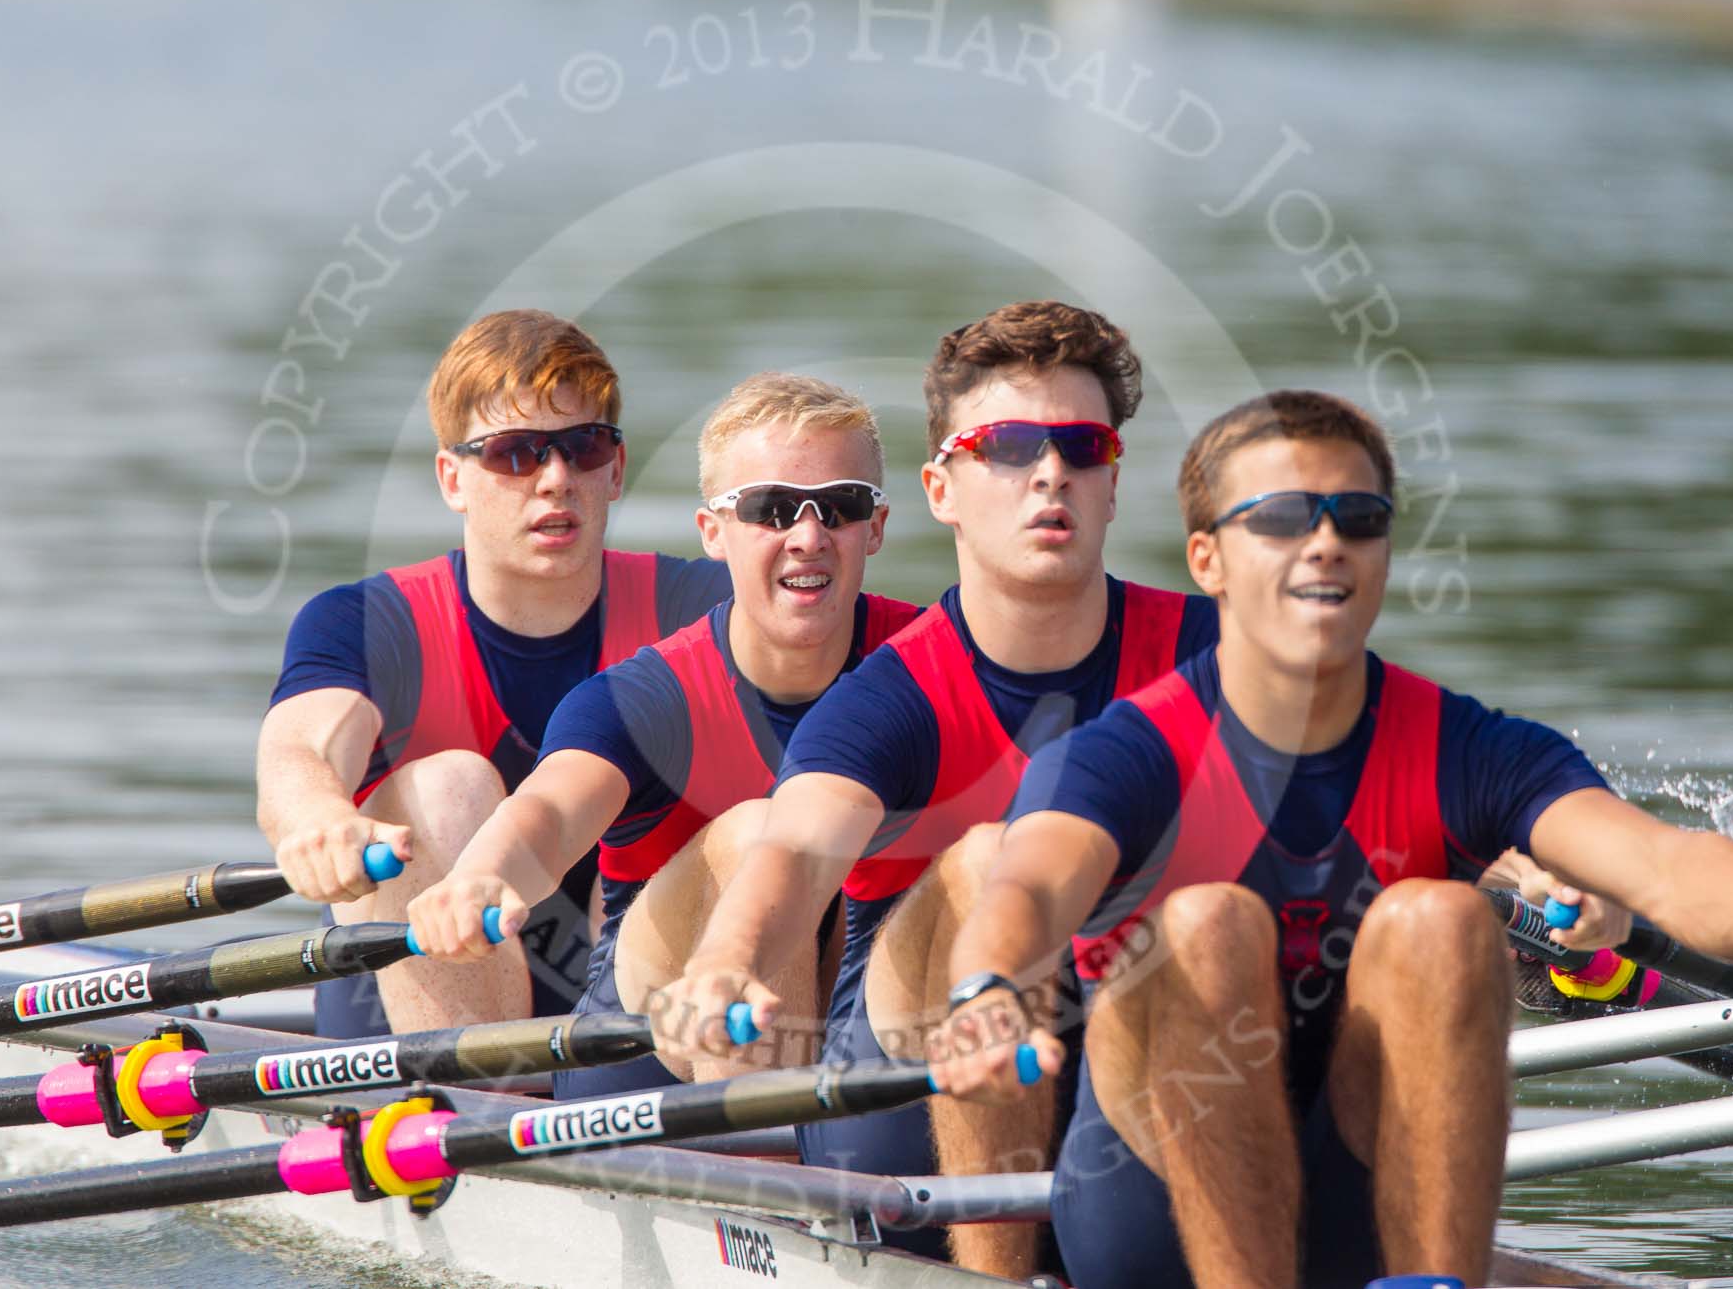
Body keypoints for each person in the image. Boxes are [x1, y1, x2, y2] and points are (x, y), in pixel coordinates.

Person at [926, 389, 1733, 1289]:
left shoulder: (1470, 748)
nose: (1327, 541)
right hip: (1150, 1219)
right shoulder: (1127, 754)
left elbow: (1661, 864)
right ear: (1208, 560)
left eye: (1357, 517)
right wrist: (986, 987)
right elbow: (1028, 889)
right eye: (1286, 517)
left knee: (1444, 920)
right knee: (1211, 921)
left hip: (1359, 1213)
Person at [649, 300, 1218, 1270]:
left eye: (1081, 446)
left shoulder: (1211, 655)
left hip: (1118, 1065)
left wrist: (1522, 881)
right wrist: (730, 958)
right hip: (893, 1115)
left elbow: (1392, 784)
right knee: (994, 858)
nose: (1050, 473)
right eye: (1007, 446)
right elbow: (791, 849)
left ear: (1111, 485)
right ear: (940, 489)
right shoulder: (886, 701)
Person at [406, 372, 918, 1097]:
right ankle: (766, 1171)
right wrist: (481, 877)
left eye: (840, 507)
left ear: (877, 526)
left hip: (848, 1004)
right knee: (758, 834)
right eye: (772, 509)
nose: (809, 536)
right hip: (644, 1047)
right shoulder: (646, 697)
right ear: (714, 532)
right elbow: (548, 815)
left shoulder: (936, 662)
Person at [257, 310, 730, 1035]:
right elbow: (301, 748)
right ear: (452, 478)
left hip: (626, 1004)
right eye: (515, 453)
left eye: (585, 447)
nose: (557, 479)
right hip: (403, 1025)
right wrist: (317, 820)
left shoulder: (697, 608)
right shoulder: (366, 622)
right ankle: (485, 1094)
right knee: (452, 785)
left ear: (617, 470)